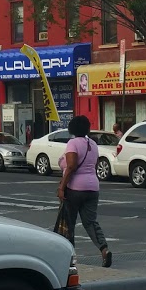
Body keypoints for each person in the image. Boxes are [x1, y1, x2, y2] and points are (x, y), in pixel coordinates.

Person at [56, 114, 112, 267]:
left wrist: (62, 187)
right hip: (92, 187)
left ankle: (69, 257)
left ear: (72, 128)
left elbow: (72, 166)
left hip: (75, 188)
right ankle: (104, 249)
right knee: (91, 222)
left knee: (69, 223)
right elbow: (94, 165)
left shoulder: (72, 143)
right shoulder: (93, 144)